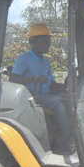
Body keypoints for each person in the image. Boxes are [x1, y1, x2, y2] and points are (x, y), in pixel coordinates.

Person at [10, 23, 74, 154]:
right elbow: (13, 79)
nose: (48, 44)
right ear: (33, 42)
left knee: (71, 99)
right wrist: (33, 79)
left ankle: (70, 136)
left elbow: (51, 84)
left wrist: (66, 87)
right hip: (32, 97)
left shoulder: (45, 61)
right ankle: (67, 141)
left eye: (48, 41)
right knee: (58, 103)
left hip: (46, 95)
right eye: (44, 41)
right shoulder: (24, 59)